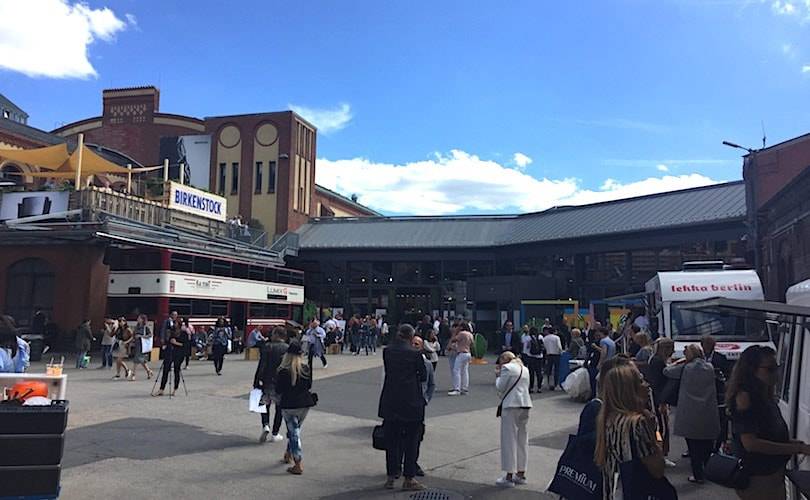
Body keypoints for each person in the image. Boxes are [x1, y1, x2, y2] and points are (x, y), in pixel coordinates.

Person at [726, 345, 810, 500]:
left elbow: (768, 435)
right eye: (769, 369)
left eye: (776, 367)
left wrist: (792, 444)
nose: (776, 374)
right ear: (751, 370)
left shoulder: (765, 397)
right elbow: (751, 444)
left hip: (772, 475)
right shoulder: (745, 398)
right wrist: (796, 448)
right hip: (759, 478)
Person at [594, 360, 666, 499]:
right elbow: (658, 468)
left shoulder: (608, 418)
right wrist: (654, 436)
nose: (647, 384)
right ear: (630, 389)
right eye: (641, 381)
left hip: (614, 492)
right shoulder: (637, 423)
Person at [379, 324, 427, 491]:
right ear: (411, 336)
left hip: (391, 400)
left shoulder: (388, 351)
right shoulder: (415, 354)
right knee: (411, 441)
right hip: (411, 400)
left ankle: (391, 476)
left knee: (392, 441)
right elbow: (423, 375)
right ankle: (409, 477)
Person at [663, 344, 720, 484]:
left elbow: (666, 371)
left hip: (690, 411)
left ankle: (698, 475)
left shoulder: (684, 368)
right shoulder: (710, 368)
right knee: (707, 444)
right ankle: (709, 471)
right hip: (707, 410)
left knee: (693, 446)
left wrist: (679, 361)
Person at [277, 341, 318, 475]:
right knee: (295, 430)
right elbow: (309, 386)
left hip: (289, 405)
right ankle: (288, 453)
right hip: (304, 404)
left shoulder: (283, 370)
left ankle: (298, 462)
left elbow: (279, 390)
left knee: (294, 432)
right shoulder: (305, 368)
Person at [495, 351, 532, 487]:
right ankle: (521, 473)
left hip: (511, 405)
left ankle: (509, 475)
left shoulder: (507, 368)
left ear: (505, 359)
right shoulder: (525, 369)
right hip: (525, 404)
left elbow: (500, 386)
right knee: (522, 440)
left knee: (508, 439)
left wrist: (498, 376)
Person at [254, 326, 288, 443]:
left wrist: (257, 380)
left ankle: (265, 425)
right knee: (279, 408)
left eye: (273, 334)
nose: (271, 336)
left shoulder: (267, 347)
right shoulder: (287, 348)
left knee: (264, 404)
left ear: (277, 335)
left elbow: (261, 365)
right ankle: (275, 433)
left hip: (267, 380)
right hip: (282, 382)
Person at [647, 337, 676, 465]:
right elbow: (658, 383)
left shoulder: (655, 360)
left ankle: (662, 453)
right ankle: (662, 454)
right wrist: (662, 402)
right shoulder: (658, 362)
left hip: (657, 397)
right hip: (659, 398)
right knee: (662, 427)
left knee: (661, 427)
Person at [154, 323, 184, 396]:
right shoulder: (171, 333)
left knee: (176, 370)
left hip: (179, 354)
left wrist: (176, 343)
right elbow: (168, 341)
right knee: (165, 370)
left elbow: (185, 345)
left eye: (176, 325)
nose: (174, 326)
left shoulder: (183, 334)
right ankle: (161, 389)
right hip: (170, 353)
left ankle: (175, 388)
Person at [449, 322, 473, 396]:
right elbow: (472, 344)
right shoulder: (470, 334)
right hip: (468, 353)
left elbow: (453, 340)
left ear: (462, 327)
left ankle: (457, 389)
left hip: (461, 353)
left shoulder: (461, 334)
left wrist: (454, 333)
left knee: (456, 370)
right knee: (465, 371)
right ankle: (464, 388)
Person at [130, 314, 154, 380]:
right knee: (142, 360)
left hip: (142, 346)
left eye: (139, 318)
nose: (138, 319)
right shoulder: (137, 327)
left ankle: (133, 374)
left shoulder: (145, 327)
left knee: (136, 360)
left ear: (143, 320)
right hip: (137, 345)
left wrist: (141, 336)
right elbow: (134, 334)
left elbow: (150, 335)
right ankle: (149, 371)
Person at [521, 326, 544, 393]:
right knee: (539, 373)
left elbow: (525, 349)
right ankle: (539, 388)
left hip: (531, 357)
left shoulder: (528, 338)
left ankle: (531, 388)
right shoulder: (540, 337)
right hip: (539, 357)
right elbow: (543, 346)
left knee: (531, 373)